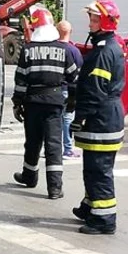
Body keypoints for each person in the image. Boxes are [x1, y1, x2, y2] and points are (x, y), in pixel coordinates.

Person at [13, 6, 79, 199]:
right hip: (55, 102)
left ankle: (29, 176)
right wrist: (73, 101)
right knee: (54, 145)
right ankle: (55, 188)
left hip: (33, 103)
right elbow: (74, 78)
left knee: (32, 142)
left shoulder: (27, 50)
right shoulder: (64, 50)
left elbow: (21, 81)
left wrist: (17, 103)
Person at [71, 0, 125, 235]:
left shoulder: (104, 50)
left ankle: (104, 220)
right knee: (93, 168)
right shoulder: (107, 45)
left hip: (101, 119)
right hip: (106, 116)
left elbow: (95, 89)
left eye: (94, 19)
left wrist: (79, 117)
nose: (90, 23)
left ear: (104, 21)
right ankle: (91, 206)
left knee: (98, 171)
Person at [56, 20, 83, 159]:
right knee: (67, 119)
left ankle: (51, 148)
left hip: (53, 90)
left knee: (53, 120)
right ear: (70, 32)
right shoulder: (73, 50)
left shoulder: (52, 48)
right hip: (68, 89)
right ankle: (67, 149)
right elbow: (78, 72)